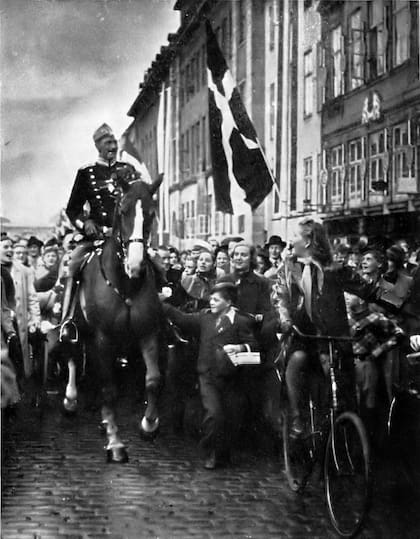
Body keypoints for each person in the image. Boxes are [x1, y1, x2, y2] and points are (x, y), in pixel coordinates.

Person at [272, 218, 384, 437]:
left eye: (295, 236)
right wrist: (285, 319)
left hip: (333, 336)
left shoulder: (335, 269)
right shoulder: (289, 268)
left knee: (336, 378)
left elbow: (370, 291)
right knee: (297, 360)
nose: (291, 241)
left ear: (308, 241)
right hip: (302, 335)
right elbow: (280, 298)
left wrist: (395, 293)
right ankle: (298, 416)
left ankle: (344, 427)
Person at [162, 281, 259, 469]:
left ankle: (222, 453)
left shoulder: (241, 321)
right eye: (211, 299)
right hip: (207, 376)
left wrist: (239, 347)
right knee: (214, 414)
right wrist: (161, 304)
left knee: (231, 417)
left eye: (216, 300)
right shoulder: (205, 318)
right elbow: (182, 318)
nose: (211, 303)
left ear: (228, 302)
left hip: (231, 378)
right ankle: (210, 451)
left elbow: (254, 346)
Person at [60, 123, 140, 339]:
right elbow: (72, 209)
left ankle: (162, 317)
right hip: (97, 238)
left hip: (125, 236)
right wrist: (85, 223)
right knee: (74, 265)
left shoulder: (128, 170)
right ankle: (67, 320)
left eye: (114, 142)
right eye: (108, 143)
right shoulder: (86, 173)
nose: (112, 147)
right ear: (98, 146)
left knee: (155, 264)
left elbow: (139, 199)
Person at [1, 236, 40, 378]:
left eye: (11, 247)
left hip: (17, 324)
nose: (10, 250)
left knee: (17, 362)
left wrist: (35, 319)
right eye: (5, 247)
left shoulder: (23, 271)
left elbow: (32, 298)